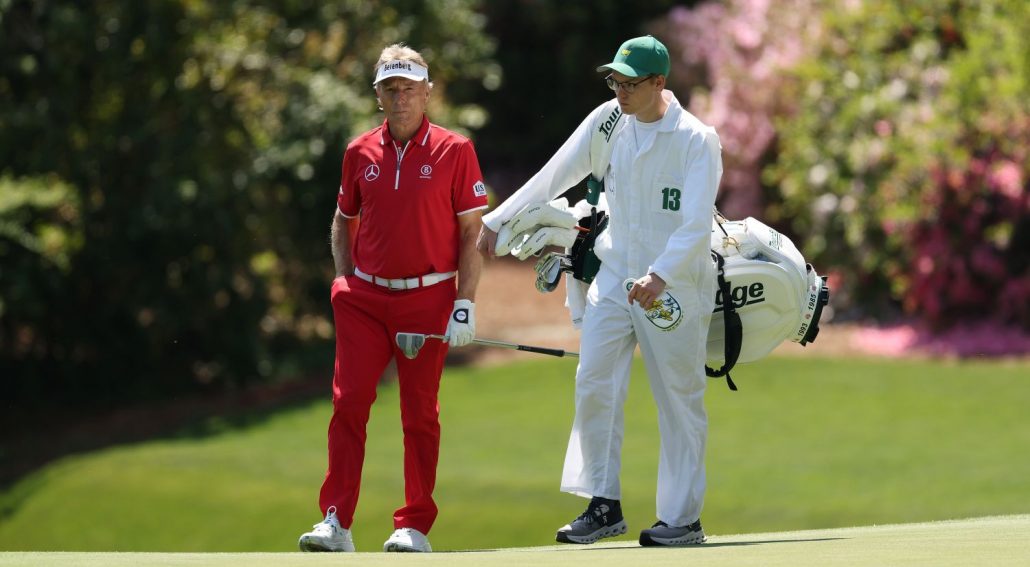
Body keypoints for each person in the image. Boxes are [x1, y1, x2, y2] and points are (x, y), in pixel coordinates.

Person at [478, 35, 723, 547]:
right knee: (593, 382)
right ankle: (603, 503)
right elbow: (557, 172)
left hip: (674, 286)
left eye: (630, 83)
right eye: (614, 80)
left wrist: (659, 277)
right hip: (615, 275)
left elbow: (696, 225)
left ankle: (682, 520)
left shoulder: (697, 140)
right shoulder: (609, 121)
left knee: (678, 400)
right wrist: (499, 221)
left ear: (660, 83)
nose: (620, 92)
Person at [298, 43, 488, 553]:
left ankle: (413, 525)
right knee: (348, 404)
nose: (400, 97)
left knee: (419, 413)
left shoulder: (455, 150)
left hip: (427, 298)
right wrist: (344, 280)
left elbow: (472, 232)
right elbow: (344, 218)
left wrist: (463, 301)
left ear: (427, 91)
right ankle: (335, 520)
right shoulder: (359, 151)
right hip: (364, 298)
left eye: (409, 88)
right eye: (390, 89)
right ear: (378, 95)